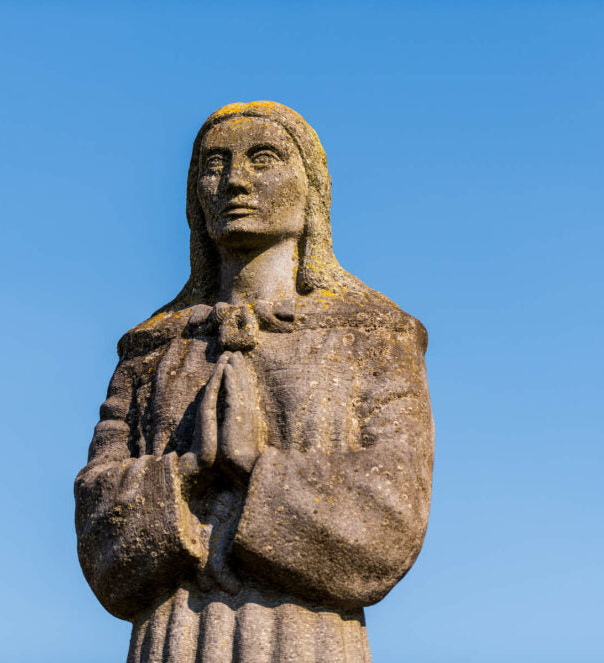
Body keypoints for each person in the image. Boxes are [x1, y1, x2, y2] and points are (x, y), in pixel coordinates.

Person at [75, 101, 434, 663]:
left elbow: (392, 514)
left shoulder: (373, 336)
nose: (235, 180)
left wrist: (254, 469)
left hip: (310, 638)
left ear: (312, 189)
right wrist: (187, 474)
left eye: (263, 159)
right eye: (214, 165)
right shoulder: (151, 349)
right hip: (171, 639)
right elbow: (98, 523)